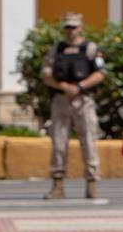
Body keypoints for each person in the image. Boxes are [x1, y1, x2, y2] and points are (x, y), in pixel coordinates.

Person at [41, 13, 104, 199]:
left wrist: (79, 86)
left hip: (83, 101)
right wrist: (63, 86)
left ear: (80, 28)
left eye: (74, 27)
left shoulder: (90, 49)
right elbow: (46, 74)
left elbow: (100, 73)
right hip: (61, 100)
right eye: (67, 27)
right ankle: (57, 185)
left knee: (89, 142)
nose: (70, 31)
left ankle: (91, 184)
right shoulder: (56, 50)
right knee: (58, 143)